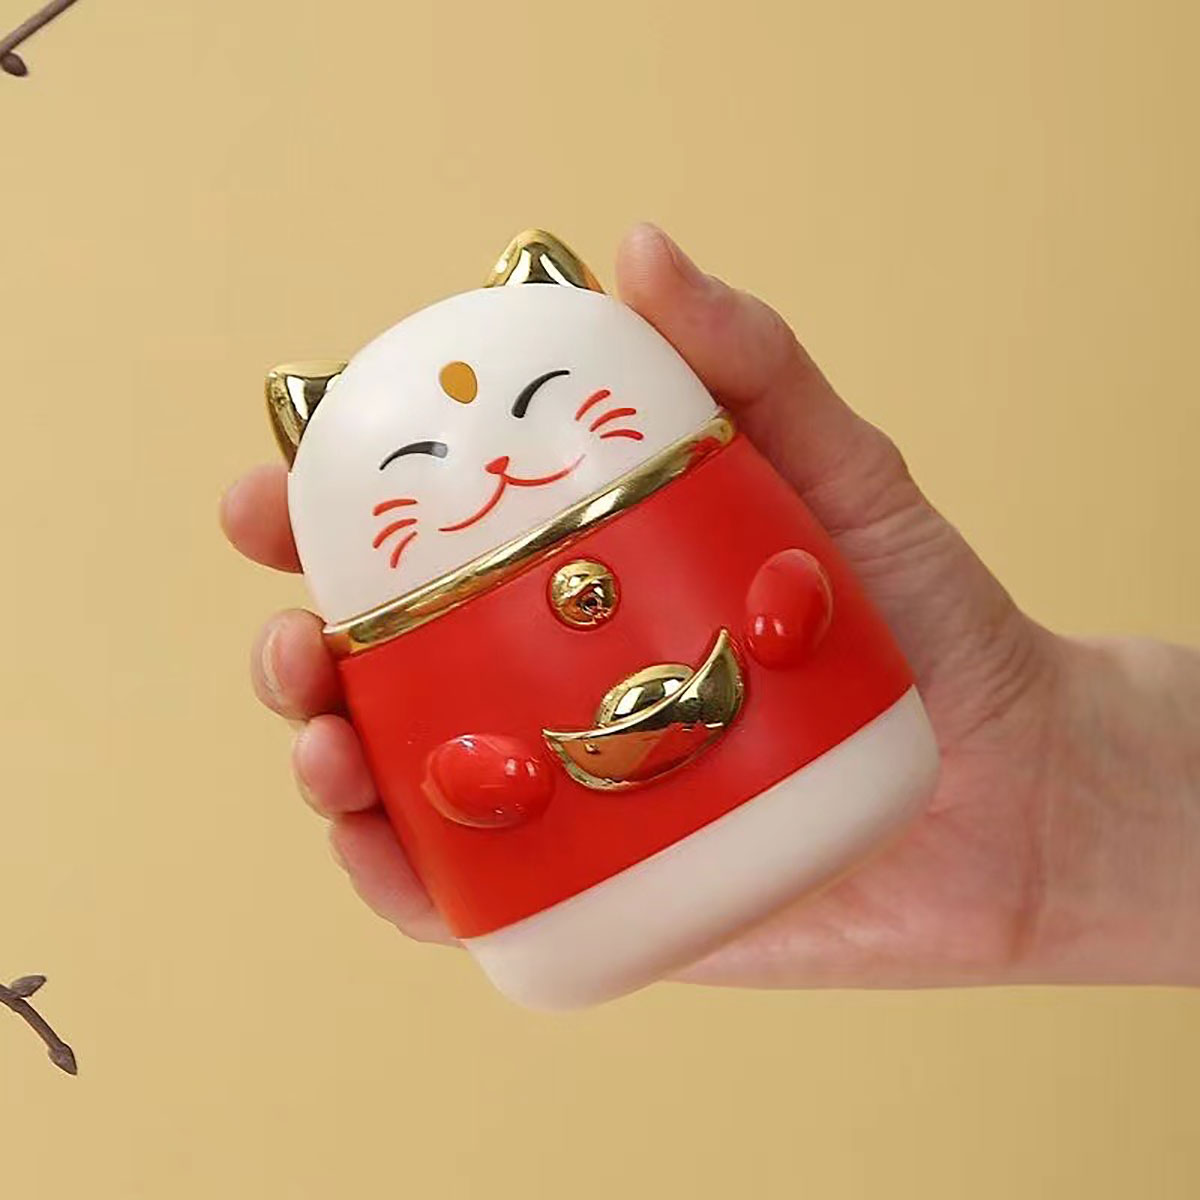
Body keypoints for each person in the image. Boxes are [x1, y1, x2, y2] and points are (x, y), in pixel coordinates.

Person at [219, 224, 1200, 989]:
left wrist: (1058, 791)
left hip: (836, 759)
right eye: (420, 465)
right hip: (562, 876)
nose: (502, 465)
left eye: (539, 404)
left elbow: (786, 581)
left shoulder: (683, 465)